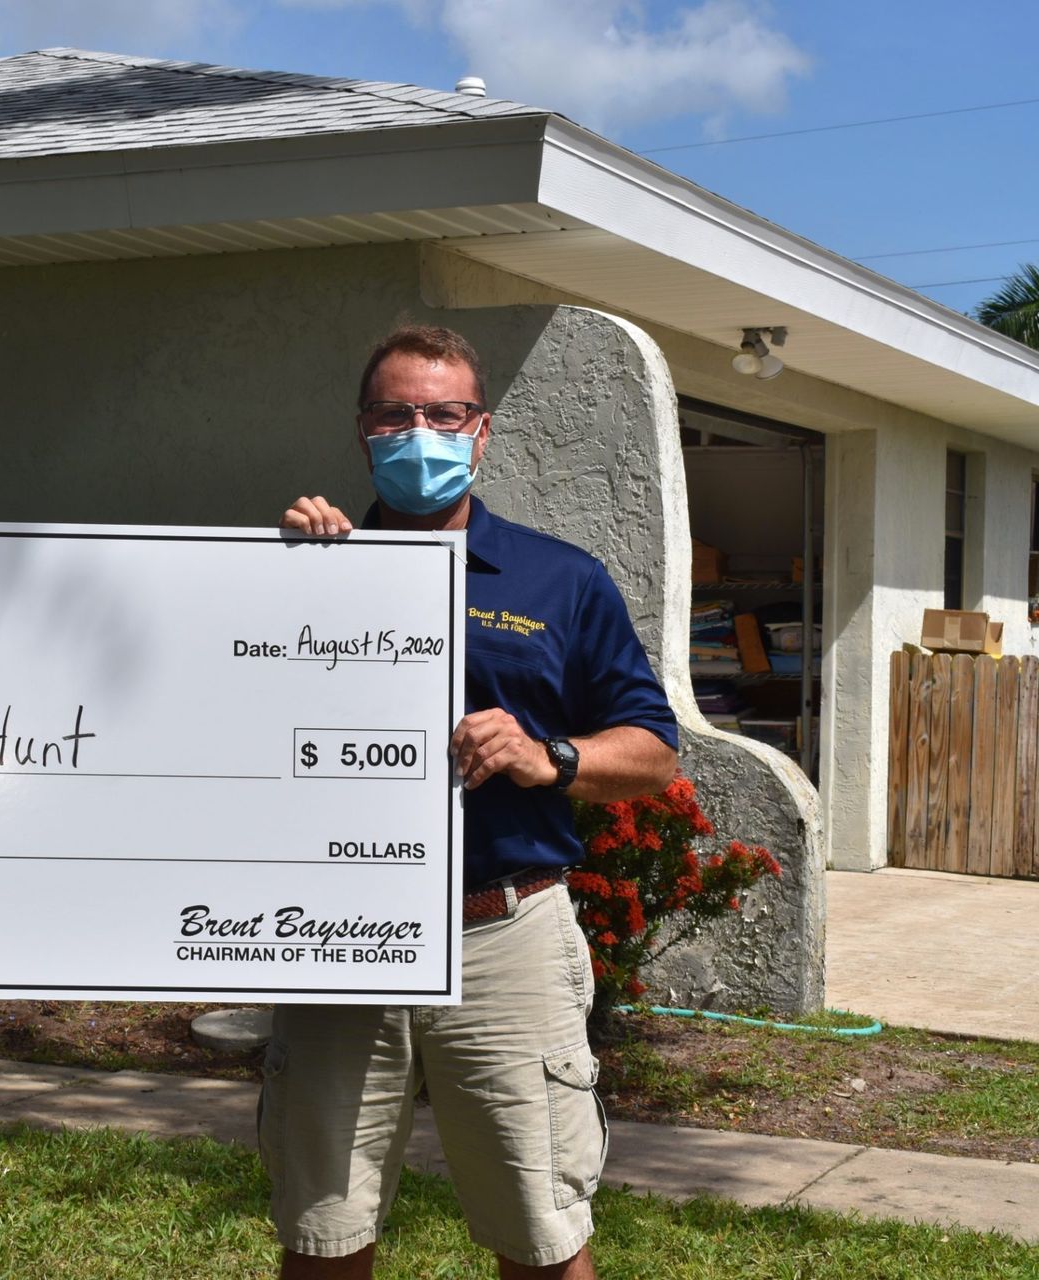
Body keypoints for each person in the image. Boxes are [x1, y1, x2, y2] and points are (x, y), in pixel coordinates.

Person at [265, 324, 679, 1280]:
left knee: (542, 1240)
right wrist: (283, 578)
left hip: (504, 936)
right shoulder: (304, 566)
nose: (421, 433)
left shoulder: (561, 579)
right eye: (395, 414)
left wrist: (549, 757)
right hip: (339, 937)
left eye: (445, 414)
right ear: (363, 431)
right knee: (323, 1235)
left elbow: (655, 751)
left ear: (482, 431)